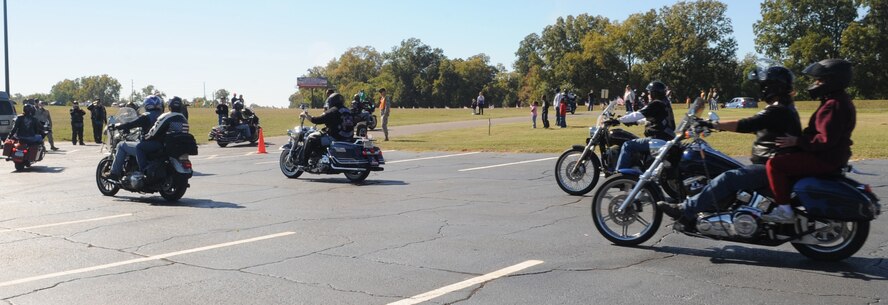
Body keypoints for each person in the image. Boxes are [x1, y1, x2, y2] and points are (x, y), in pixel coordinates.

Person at [658, 64, 802, 229]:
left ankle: (686, 210)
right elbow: (764, 129)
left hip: (768, 166)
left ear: (773, 87)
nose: (762, 89)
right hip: (770, 163)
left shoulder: (778, 110)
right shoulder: (786, 108)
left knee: (728, 177)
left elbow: (747, 124)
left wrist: (711, 124)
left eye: (764, 86)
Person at [765, 59, 857, 223]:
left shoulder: (833, 105)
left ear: (831, 80)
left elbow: (824, 140)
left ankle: (784, 210)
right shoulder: (839, 100)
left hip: (824, 157)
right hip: (833, 155)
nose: (815, 83)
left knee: (774, 165)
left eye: (819, 80)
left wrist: (797, 141)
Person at [612, 81, 676, 173]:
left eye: (649, 93)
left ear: (655, 93)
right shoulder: (664, 103)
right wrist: (636, 122)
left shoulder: (656, 103)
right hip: (665, 137)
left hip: (658, 139)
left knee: (627, 145)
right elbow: (653, 119)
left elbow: (638, 114)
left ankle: (619, 175)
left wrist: (618, 120)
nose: (648, 95)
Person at [107, 96, 164, 180]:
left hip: (148, 145)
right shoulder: (163, 116)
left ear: (147, 105)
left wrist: (117, 126)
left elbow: (131, 124)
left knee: (121, 145)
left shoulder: (146, 116)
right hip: (161, 145)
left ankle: (114, 173)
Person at [135, 96, 190, 176]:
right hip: (180, 146)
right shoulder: (183, 118)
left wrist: (145, 137)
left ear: (169, 106)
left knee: (139, 147)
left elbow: (154, 132)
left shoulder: (166, 116)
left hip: (166, 145)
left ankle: (143, 171)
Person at [299, 93, 354, 165]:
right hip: (348, 137)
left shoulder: (333, 111)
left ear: (332, 101)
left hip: (335, 137)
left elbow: (317, 120)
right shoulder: (348, 111)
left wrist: (306, 115)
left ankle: (303, 162)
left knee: (311, 138)